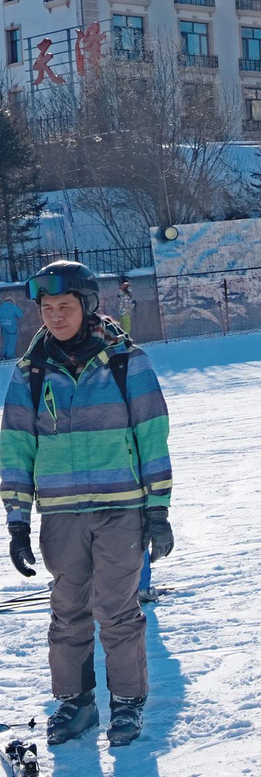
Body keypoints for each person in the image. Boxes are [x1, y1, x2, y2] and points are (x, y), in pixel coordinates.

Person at [2, 261, 174, 747]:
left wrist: (157, 509)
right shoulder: (30, 372)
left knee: (116, 610)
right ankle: (76, 703)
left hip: (121, 508)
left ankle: (126, 704)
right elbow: (16, 446)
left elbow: (151, 435)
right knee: (68, 610)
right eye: (47, 309)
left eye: (65, 307)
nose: (55, 317)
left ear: (88, 307)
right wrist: (17, 520)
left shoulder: (125, 361)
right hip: (60, 514)